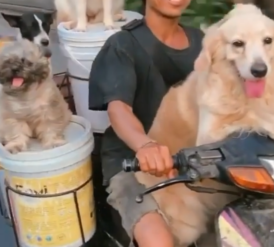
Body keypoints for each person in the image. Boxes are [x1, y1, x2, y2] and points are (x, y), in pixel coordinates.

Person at [89, 0, 204, 246]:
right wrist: (146, 145)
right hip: (132, 164)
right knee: (159, 242)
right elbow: (119, 108)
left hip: (197, 159)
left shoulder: (204, 42)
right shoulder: (123, 45)